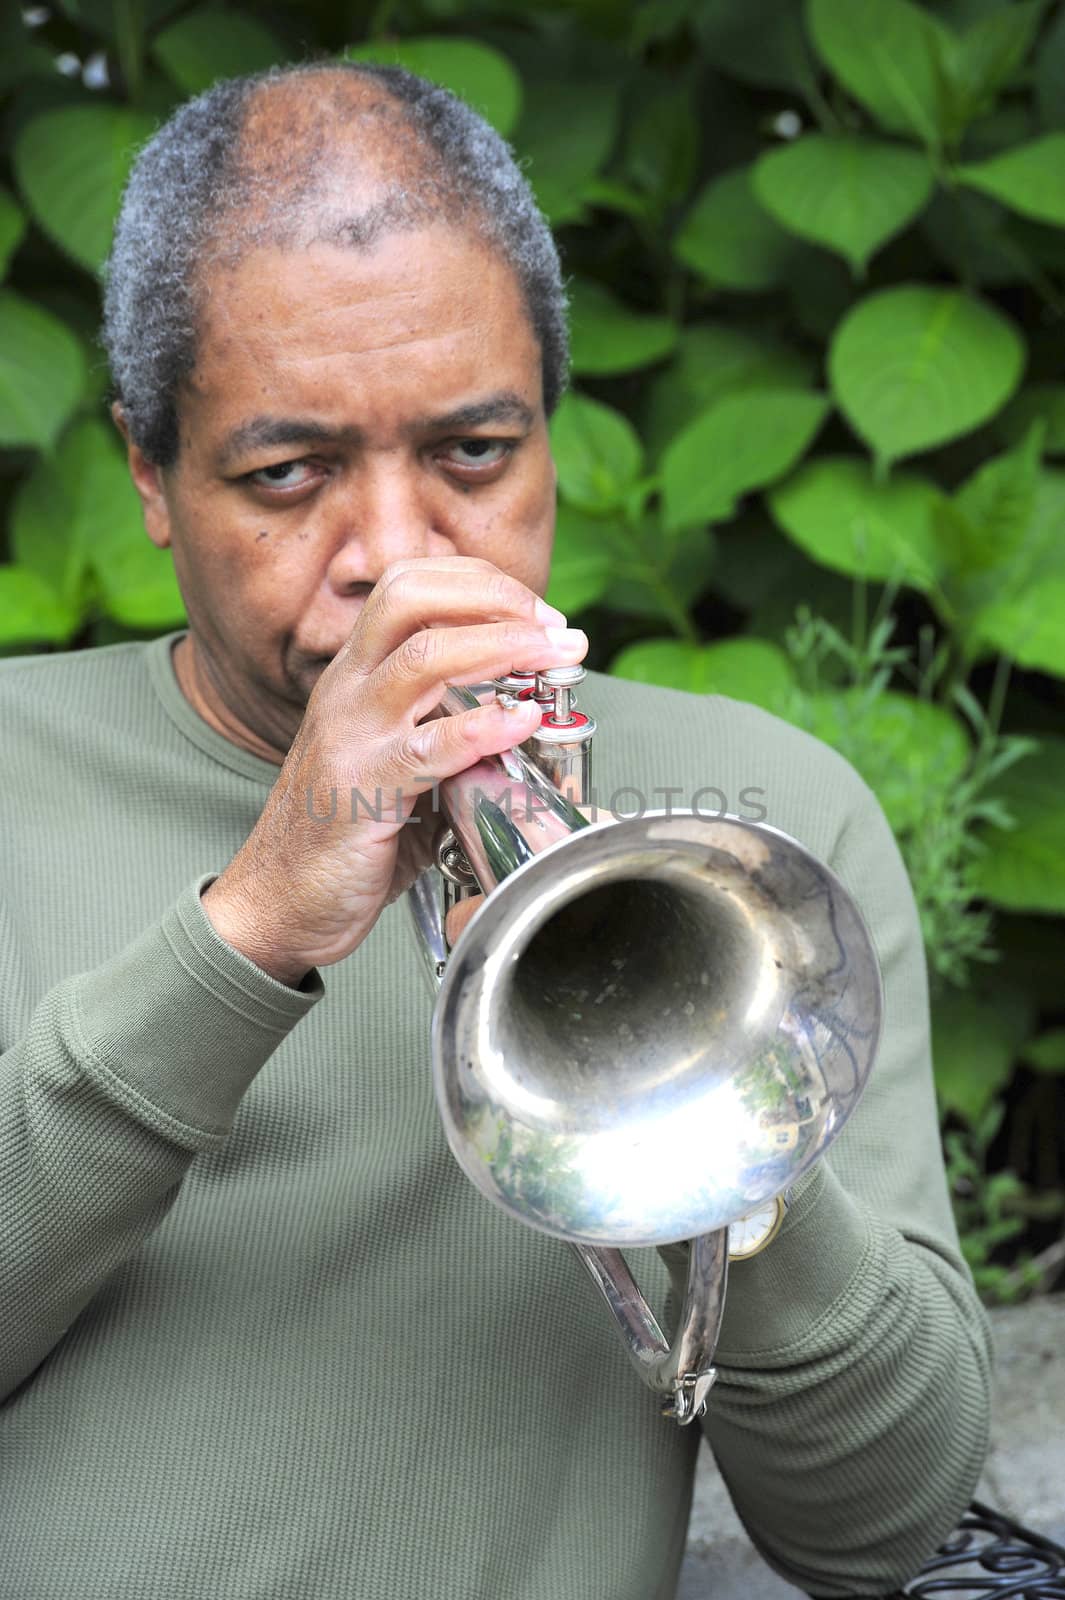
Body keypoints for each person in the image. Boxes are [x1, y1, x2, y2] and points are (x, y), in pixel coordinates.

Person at [0, 62, 991, 1600]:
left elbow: (879, 1529)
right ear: (147, 471)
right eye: (287, 475)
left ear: (549, 428)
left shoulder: (760, 821)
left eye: (472, 455)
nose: (395, 563)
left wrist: (711, 1092)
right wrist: (251, 927)